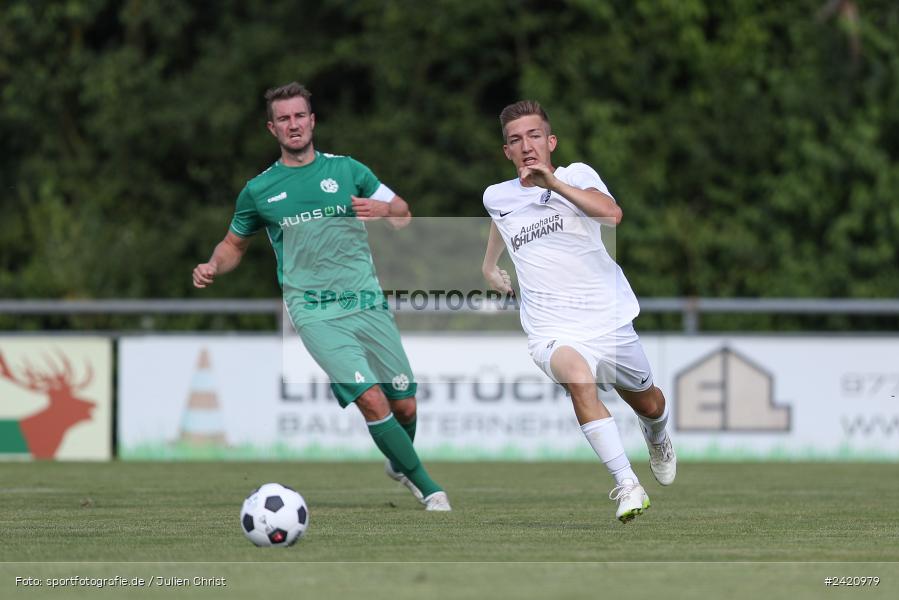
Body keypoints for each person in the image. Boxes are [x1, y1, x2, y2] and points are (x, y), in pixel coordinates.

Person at [193, 82, 450, 511]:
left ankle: (399, 461)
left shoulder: (348, 170)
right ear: (272, 129)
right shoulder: (259, 190)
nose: (293, 125)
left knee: (404, 404)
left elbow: (403, 212)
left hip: (366, 301)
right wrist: (212, 265)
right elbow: (233, 245)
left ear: (312, 121)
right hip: (313, 311)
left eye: (299, 116)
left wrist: (384, 210)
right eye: (283, 119)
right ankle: (429, 489)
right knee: (371, 398)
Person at [481, 100, 675, 523]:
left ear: (550, 142)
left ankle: (657, 434)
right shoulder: (496, 195)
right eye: (516, 140)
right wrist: (489, 265)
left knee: (650, 403)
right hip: (551, 329)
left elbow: (612, 215)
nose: (526, 146)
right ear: (507, 151)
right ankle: (628, 485)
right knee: (579, 380)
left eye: (534, 136)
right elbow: (502, 220)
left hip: (606, 320)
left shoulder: (577, 176)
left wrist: (552, 183)